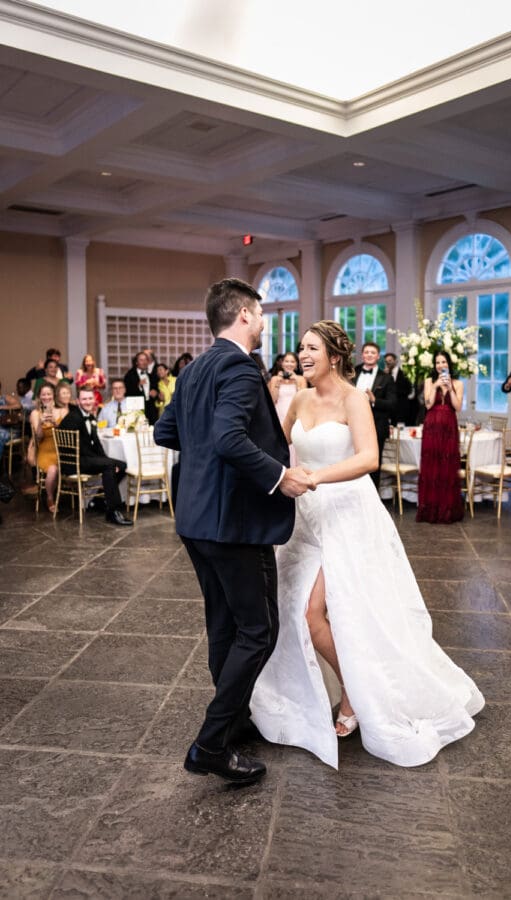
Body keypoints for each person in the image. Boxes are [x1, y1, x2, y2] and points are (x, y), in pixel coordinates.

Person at [250, 320, 484, 769]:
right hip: (304, 518)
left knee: (315, 611)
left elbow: (368, 458)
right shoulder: (298, 398)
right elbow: (277, 448)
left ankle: (354, 696)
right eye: (301, 348)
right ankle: (332, 689)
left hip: (346, 513)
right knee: (291, 606)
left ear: (335, 355)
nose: (304, 355)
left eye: (312, 348)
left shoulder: (353, 399)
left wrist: (316, 476)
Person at [154, 277, 313, 785]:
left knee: (225, 626)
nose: (264, 322)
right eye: (261, 314)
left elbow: (166, 431)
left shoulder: (196, 368)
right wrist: (279, 476)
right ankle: (211, 743)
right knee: (258, 630)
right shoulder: (241, 369)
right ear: (244, 314)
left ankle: (235, 719)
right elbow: (227, 437)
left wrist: (205, 454)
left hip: (195, 519)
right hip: (233, 523)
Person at [58, 387, 133, 526]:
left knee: (121, 465)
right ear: (78, 401)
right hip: (74, 461)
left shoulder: (90, 417)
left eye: (90, 398)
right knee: (109, 465)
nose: (87, 401)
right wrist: (106, 462)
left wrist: (106, 460)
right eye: (84, 399)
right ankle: (113, 510)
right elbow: (68, 446)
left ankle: (101, 499)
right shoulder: (72, 418)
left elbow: (97, 445)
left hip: (86, 458)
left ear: (94, 400)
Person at [416, 350, 464, 524]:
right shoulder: (429, 381)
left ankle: (447, 509)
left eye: (443, 362)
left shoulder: (458, 383)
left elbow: (458, 407)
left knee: (447, 467)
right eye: (437, 362)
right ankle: (430, 509)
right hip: (432, 426)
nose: (440, 365)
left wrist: (450, 389)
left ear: (449, 364)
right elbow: (428, 405)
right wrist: (436, 386)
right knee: (432, 466)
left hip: (449, 426)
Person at [352, 342, 396, 485]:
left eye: (373, 352)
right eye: (366, 352)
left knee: (372, 465)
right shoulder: (352, 372)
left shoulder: (387, 378)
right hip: (352, 425)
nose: (369, 355)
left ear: (378, 356)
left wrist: (374, 400)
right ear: (362, 355)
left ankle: (372, 501)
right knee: (351, 462)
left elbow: (392, 404)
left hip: (376, 426)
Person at [29, 384, 68, 513]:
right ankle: (50, 497)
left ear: (54, 395)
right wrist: (40, 423)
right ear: (39, 396)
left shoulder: (63, 411)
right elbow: (39, 437)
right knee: (52, 469)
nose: (46, 397)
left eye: (49, 394)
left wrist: (55, 424)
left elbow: (67, 434)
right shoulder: (35, 413)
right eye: (43, 394)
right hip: (45, 449)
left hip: (62, 449)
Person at [123, 351, 159, 425]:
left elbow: (156, 388)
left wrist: (156, 392)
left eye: (146, 360)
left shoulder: (151, 375)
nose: (144, 362)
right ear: (136, 362)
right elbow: (126, 392)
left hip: (151, 409)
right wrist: (138, 385)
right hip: (136, 408)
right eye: (141, 360)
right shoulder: (129, 375)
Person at [384, 351, 414, 426]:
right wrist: (385, 376)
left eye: (390, 360)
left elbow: (408, 390)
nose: (388, 363)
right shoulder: (384, 374)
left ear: (395, 361)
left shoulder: (404, 372)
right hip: (390, 410)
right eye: (386, 361)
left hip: (402, 407)